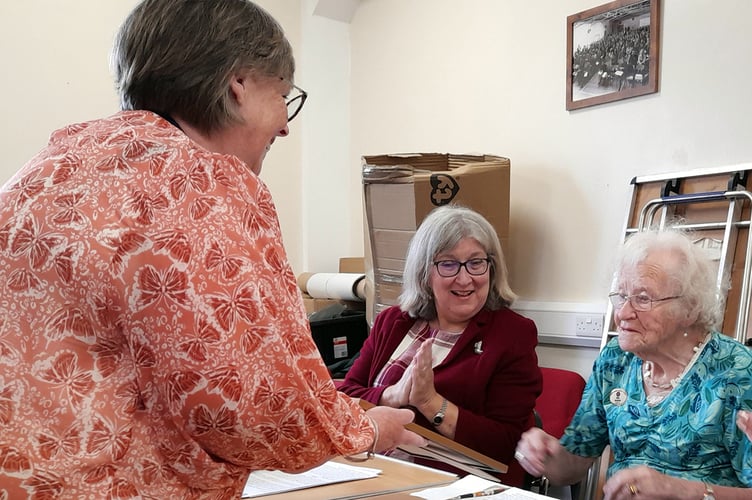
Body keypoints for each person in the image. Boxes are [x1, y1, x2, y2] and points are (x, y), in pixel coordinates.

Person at [0, 1, 424, 498]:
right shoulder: (203, 182)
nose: (285, 123)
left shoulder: (45, 170)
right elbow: (244, 402)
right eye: (283, 94)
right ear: (238, 85)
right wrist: (365, 430)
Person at [515, 227, 752, 499]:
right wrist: (545, 455)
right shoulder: (615, 360)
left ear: (690, 308)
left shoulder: (737, 372)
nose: (624, 313)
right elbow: (572, 468)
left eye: (643, 298)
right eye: (621, 296)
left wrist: (684, 491)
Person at [338, 204, 543, 487]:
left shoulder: (512, 334)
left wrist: (430, 403)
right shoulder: (393, 321)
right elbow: (344, 397)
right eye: (448, 264)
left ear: (491, 268)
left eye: (476, 262)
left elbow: (503, 444)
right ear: (424, 272)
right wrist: (392, 395)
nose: (464, 277)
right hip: (368, 470)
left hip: (447, 485)